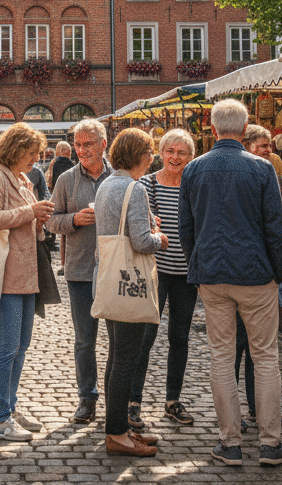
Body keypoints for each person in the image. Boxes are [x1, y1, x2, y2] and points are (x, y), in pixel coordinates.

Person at [177, 99, 282, 468]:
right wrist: (277, 271)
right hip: (255, 273)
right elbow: (276, 227)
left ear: (212, 129)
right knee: (266, 357)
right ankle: (270, 443)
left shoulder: (194, 169)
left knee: (222, 357)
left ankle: (230, 443)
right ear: (245, 130)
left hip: (212, 274)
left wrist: (197, 264)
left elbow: (185, 227)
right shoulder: (262, 168)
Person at [0, 123, 55, 441]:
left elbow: (27, 223)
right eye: (32, 152)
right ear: (16, 149)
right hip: (6, 276)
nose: (36, 158)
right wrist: (30, 212)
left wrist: (39, 220)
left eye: (38, 153)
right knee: (6, 348)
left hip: (26, 275)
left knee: (20, 347)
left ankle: (9, 407)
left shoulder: (23, 180)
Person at [95, 128, 166, 457]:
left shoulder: (107, 184)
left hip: (111, 279)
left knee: (116, 356)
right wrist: (160, 239)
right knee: (126, 359)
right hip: (130, 282)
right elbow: (140, 241)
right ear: (139, 155)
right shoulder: (134, 188)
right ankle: (117, 434)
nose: (152, 157)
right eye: (150, 151)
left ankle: (118, 425)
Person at [129, 129, 199, 429]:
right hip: (153, 272)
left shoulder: (195, 185)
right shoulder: (146, 184)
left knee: (179, 338)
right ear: (160, 153)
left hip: (186, 274)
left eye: (182, 152)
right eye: (170, 151)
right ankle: (133, 401)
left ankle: (173, 400)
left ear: (191, 156)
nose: (175, 157)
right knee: (144, 338)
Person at [46, 118, 113, 424]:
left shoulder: (118, 176)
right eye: (78, 144)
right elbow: (51, 221)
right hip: (81, 271)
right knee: (85, 340)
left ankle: (117, 398)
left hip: (114, 271)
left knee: (117, 341)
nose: (82, 150)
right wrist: (74, 220)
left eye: (88, 144)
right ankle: (87, 398)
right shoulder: (66, 180)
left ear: (104, 143)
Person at [233, 125, 282, 429]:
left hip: (262, 271)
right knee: (237, 346)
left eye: (269, 145)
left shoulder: (275, 174)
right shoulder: (241, 174)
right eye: (262, 145)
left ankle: (258, 409)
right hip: (242, 270)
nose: (268, 150)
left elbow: (280, 220)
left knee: (258, 349)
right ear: (246, 145)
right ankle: (234, 412)